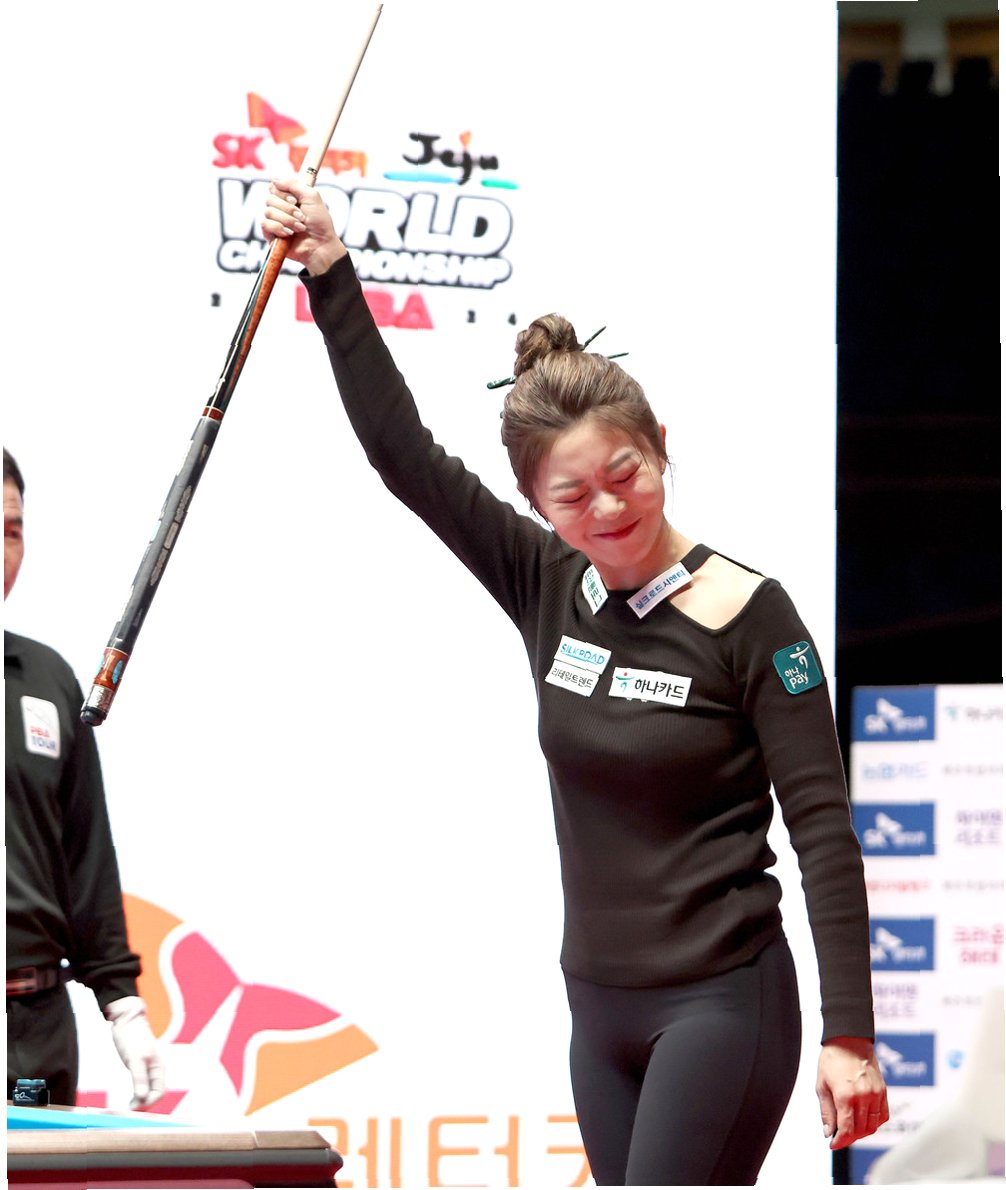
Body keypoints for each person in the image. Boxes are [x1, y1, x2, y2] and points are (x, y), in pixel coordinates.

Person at [262, 179, 889, 1186]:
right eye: (572, 493)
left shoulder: (752, 615)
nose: (607, 508)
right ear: (536, 502)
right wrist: (332, 272)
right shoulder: (545, 582)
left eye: (625, 473)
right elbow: (402, 456)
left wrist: (849, 1031)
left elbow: (822, 829)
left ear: (662, 447)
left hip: (723, 1003)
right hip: (597, 1011)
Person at [5, 447, 164, 1110]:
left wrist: (122, 1003)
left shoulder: (47, 681)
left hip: (33, 1032)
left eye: (11, 531)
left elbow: (85, 856)